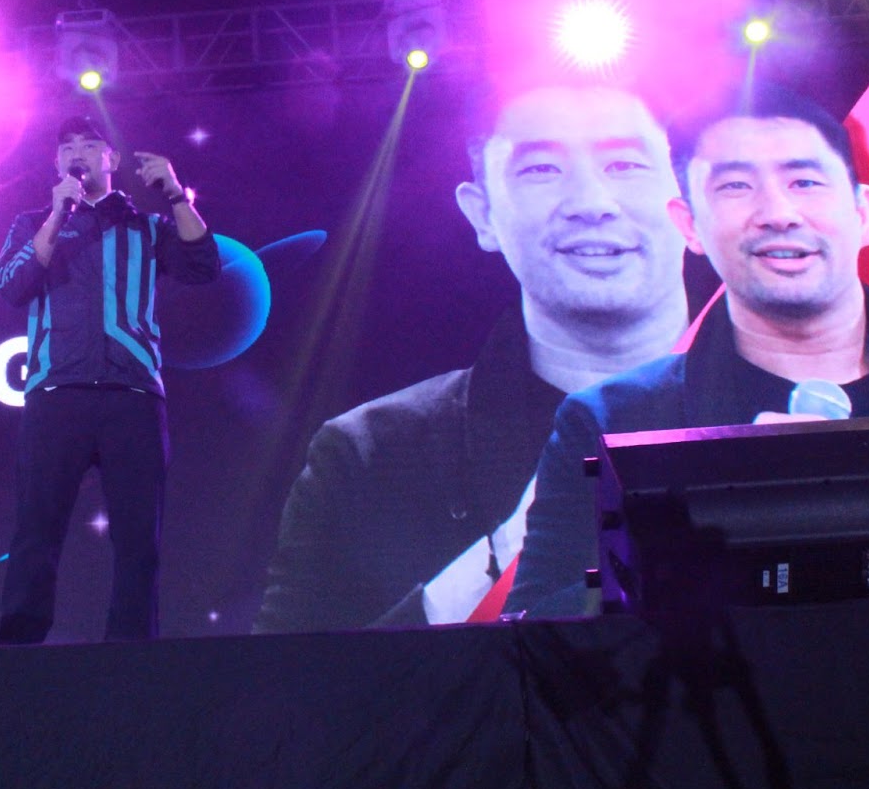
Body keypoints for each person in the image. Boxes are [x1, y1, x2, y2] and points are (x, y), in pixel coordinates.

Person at [254, 84, 691, 632]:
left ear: (690, 201)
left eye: (624, 165)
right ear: (482, 215)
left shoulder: (790, 404)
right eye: (541, 170)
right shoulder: (370, 454)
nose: (591, 203)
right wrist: (501, 558)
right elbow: (288, 679)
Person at [507, 89, 869, 617]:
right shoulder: (609, 420)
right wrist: (711, 538)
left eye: (804, 182)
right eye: (736, 186)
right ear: (689, 225)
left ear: (864, 213)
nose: (778, 213)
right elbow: (527, 640)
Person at [0, 115, 219, 643]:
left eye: (90, 144)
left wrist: (177, 196)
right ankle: (18, 649)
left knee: (138, 536)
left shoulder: (146, 226)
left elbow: (204, 266)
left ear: (111, 159)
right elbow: (11, 285)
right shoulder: (33, 222)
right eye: (67, 146)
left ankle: (131, 651)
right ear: (56, 163)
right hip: (57, 392)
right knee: (37, 527)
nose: (78, 153)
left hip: (132, 395)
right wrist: (58, 215)